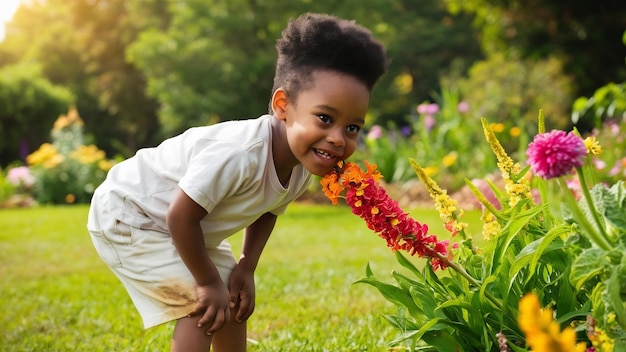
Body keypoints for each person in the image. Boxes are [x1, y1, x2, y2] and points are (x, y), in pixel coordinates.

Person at [87, 12, 387, 352]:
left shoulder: (305, 162)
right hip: (130, 213)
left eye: (352, 128)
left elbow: (269, 210)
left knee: (233, 296)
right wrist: (206, 281)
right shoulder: (239, 153)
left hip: (178, 224)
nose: (337, 139)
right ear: (283, 105)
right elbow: (180, 216)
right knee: (203, 306)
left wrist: (246, 266)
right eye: (325, 118)